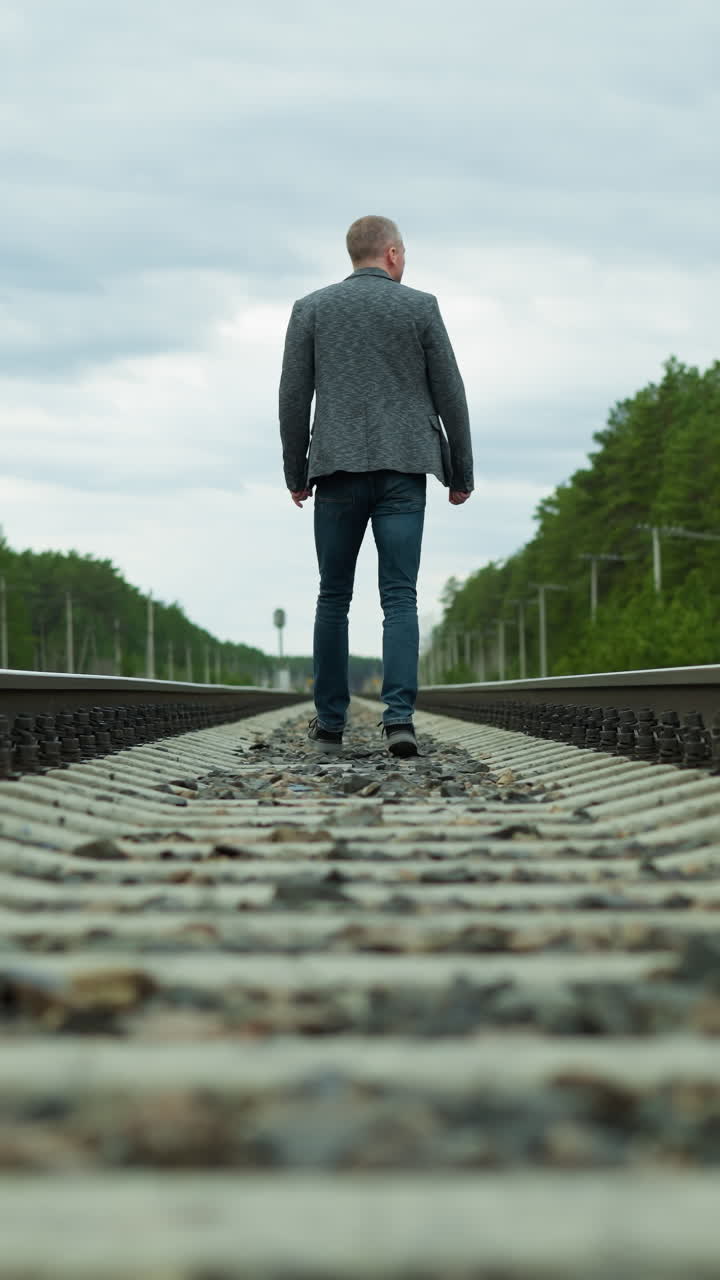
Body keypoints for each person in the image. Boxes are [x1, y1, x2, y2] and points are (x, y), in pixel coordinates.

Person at [279, 215, 473, 758]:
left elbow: (293, 397)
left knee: (332, 597)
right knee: (400, 596)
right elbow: (450, 393)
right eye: (403, 253)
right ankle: (399, 722)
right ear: (391, 253)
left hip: (337, 470)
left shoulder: (311, 308)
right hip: (404, 469)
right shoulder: (420, 307)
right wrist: (462, 472)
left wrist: (296, 472)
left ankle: (331, 724)